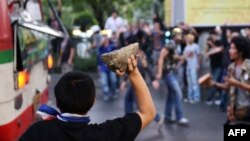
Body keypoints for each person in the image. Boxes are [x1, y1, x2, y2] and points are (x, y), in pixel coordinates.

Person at [19, 55, 156, 141]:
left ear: (57, 100)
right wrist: (133, 72)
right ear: (93, 101)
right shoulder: (107, 134)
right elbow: (148, 112)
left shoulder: (37, 132)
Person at [208, 36, 250, 124]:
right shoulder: (231, 67)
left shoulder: (248, 66)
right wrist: (214, 83)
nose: (229, 51)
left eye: (233, 48)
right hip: (237, 111)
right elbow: (228, 87)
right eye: (230, 48)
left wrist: (237, 83)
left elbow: (236, 84)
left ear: (241, 52)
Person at [153, 43, 189, 125]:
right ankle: (179, 117)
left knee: (171, 95)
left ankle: (167, 116)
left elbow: (176, 58)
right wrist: (159, 72)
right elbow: (161, 59)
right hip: (168, 74)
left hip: (172, 73)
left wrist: (182, 58)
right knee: (178, 94)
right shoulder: (167, 47)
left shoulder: (175, 48)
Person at [183, 33, 201, 103]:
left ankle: (196, 97)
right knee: (189, 82)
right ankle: (190, 97)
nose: (187, 39)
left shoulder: (196, 46)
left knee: (194, 82)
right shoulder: (186, 47)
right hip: (188, 66)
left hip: (194, 66)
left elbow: (199, 55)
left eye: (188, 38)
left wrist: (198, 64)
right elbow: (184, 57)